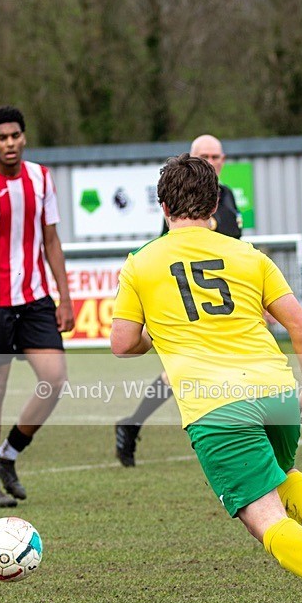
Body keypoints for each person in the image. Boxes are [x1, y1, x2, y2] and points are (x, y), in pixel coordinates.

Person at [111, 152, 302, 603]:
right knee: (283, 474)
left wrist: (161, 333)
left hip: (216, 407)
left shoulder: (141, 265)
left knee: (264, 517)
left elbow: (123, 344)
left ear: (162, 206)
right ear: (215, 203)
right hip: (275, 392)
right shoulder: (249, 255)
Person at [0, 105, 74, 507]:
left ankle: (10, 453)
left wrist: (64, 296)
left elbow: (51, 241)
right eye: (1, 138)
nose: (10, 143)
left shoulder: (41, 178)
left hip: (36, 299)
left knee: (55, 378)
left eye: (15, 135)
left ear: (24, 137)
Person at [115, 134, 243, 467]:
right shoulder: (183, 201)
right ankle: (137, 424)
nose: (212, 161)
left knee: (186, 370)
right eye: (205, 156)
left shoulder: (226, 197)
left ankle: (132, 424)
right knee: (186, 369)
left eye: (217, 156)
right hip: (186, 293)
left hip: (220, 296)